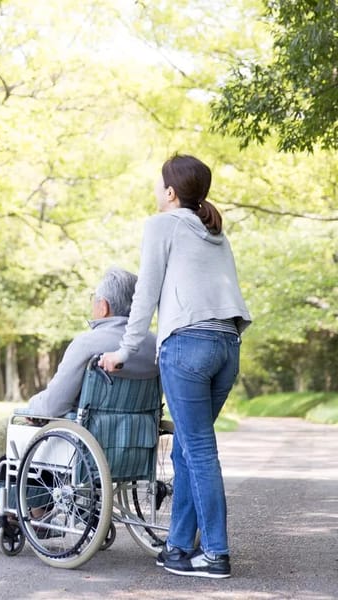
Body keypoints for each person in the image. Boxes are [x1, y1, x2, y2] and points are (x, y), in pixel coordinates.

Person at [99, 154, 251, 579]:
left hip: (188, 345)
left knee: (198, 449)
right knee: (187, 448)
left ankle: (216, 553)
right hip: (227, 344)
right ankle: (179, 547)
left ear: (170, 192)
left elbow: (145, 293)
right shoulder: (213, 231)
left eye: (158, 184)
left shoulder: (162, 224)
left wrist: (123, 352)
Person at [0, 267, 158, 529]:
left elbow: (52, 405)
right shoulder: (155, 346)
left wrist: (28, 409)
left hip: (85, 441)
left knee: (8, 428)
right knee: (52, 433)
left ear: (103, 307)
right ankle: (37, 510)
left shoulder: (88, 343)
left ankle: (6, 510)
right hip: (134, 442)